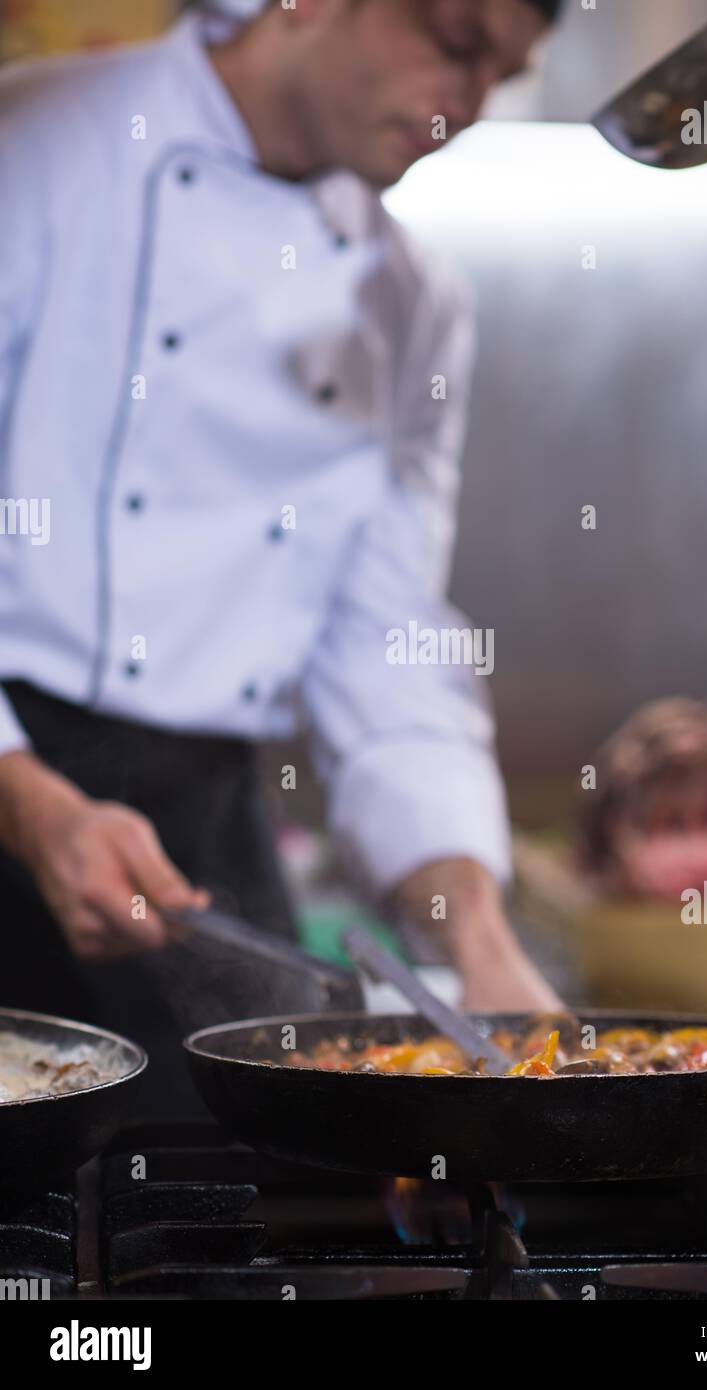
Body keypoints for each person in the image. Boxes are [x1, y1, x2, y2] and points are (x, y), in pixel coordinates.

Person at [0, 0, 563, 1108]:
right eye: (454, 39)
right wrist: (32, 805)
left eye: (503, 70)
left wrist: (478, 938)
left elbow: (385, 636)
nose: (470, 104)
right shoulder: (36, 147)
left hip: (203, 841)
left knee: (237, 1207)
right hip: (14, 778)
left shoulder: (415, 301)